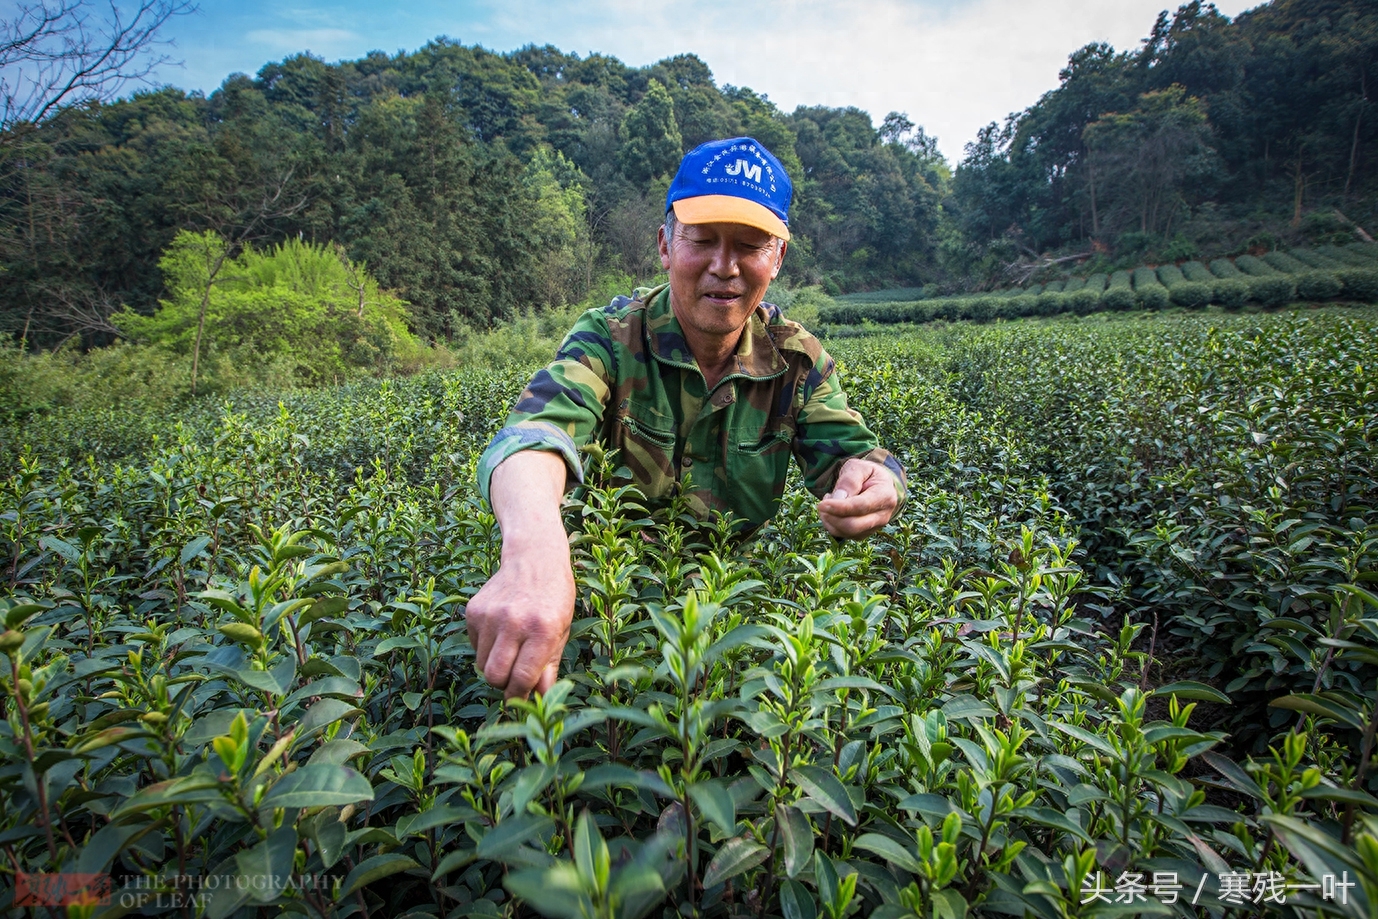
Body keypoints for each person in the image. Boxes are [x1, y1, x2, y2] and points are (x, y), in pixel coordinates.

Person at [466, 137, 907, 699]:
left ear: (777, 258)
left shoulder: (797, 360)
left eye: (749, 245)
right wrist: (535, 556)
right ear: (665, 245)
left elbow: (857, 453)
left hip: (725, 624)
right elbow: (536, 435)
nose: (724, 267)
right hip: (610, 613)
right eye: (702, 240)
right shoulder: (610, 339)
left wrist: (878, 480)